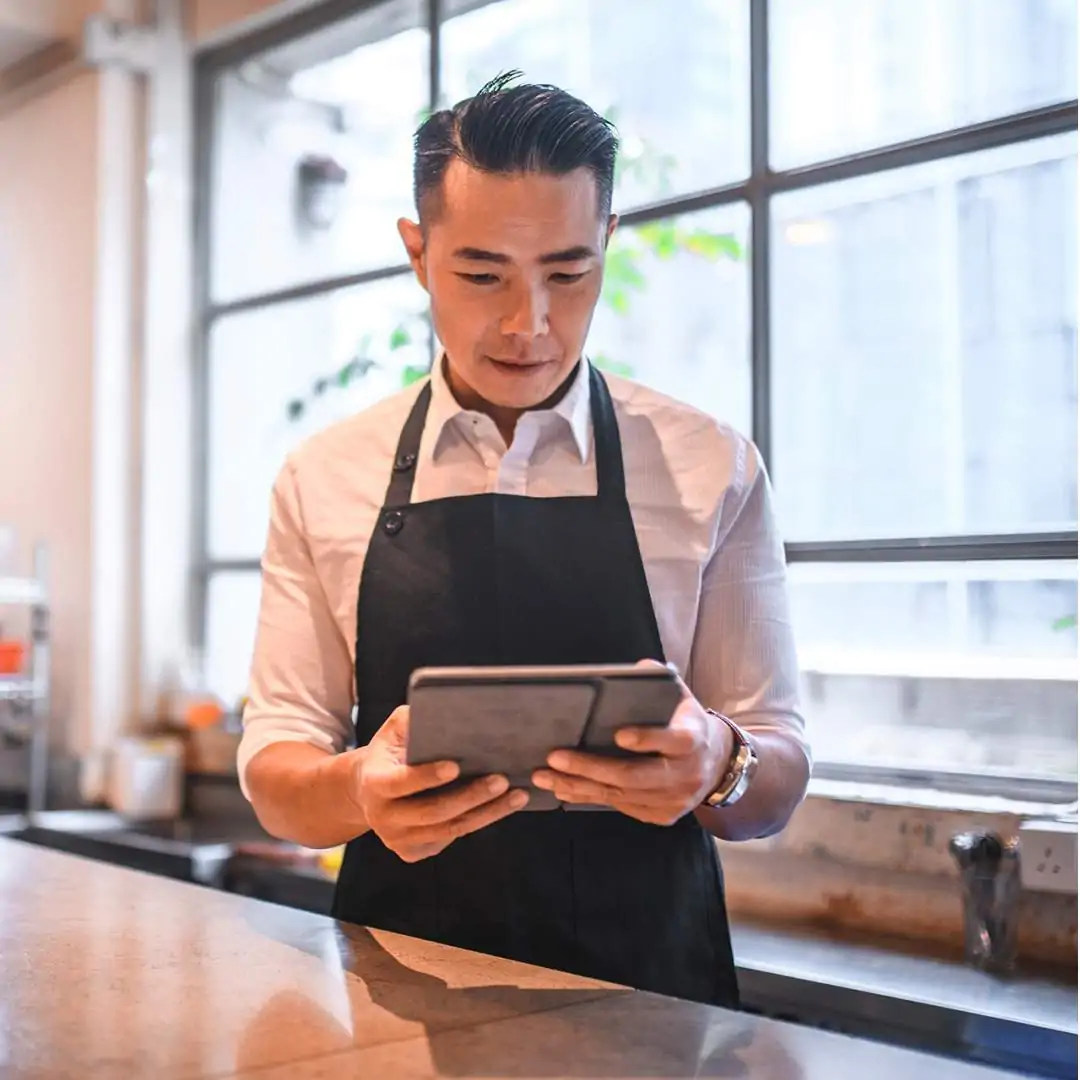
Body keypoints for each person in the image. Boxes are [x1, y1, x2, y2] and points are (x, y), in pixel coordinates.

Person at [239, 72, 811, 1008]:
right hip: (399, 1008)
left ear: (608, 244)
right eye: (481, 274)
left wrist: (718, 761)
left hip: (652, 1016)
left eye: (567, 272)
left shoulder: (715, 468)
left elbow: (777, 769)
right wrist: (358, 791)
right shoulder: (324, 477)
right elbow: (276, 772)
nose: (527, 323)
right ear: (417, 253)